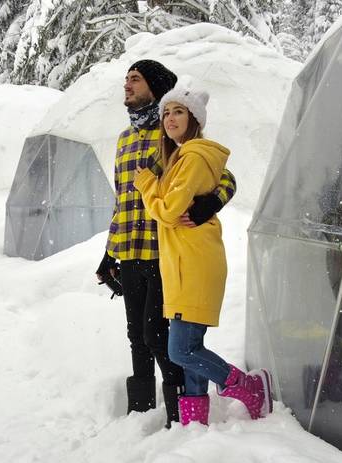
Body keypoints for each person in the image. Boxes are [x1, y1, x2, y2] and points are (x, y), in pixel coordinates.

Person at [95, 60, 237, 428]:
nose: (126, 85)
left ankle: (180, 410)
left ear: (155, 87)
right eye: (125, 79)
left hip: (162, 251)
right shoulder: (125, 139)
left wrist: (214, 201)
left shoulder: (170, 135)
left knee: (157, 336)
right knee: (135, 336)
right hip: (128, 248)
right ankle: (139, 413)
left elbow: (223, 175)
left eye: (135, 79)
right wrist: (109, 252)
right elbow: (122, 199)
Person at [133, 77, 273, 425]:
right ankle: (194, 420)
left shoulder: (192, 156)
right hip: (182, 260)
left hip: (192, 261)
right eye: (166, 113)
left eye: (179, 112)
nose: (170, 119)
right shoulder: (175, 155)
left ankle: (246, 386)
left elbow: (167, 210)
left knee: (180, 349)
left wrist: (150, 186)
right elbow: (220, 178)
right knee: (190, 346)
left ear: (194, 118)